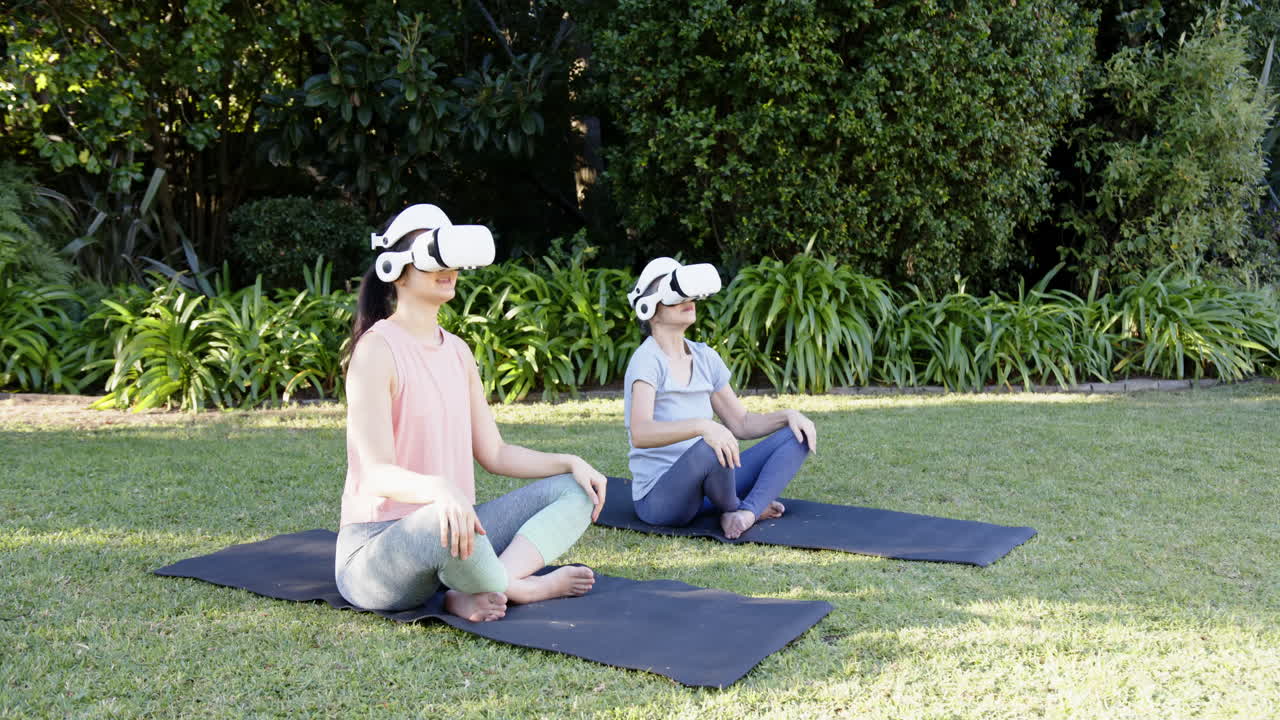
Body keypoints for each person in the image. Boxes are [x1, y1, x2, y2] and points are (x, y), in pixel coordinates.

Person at [336, 204, 607, 622]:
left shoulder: (458, 351)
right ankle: (519, 587)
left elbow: (495, 453)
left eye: (452, 258)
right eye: (434, 257)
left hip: (455, 524)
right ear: (396, 268)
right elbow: (375, 474)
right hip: (376, 552)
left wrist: (570, 462)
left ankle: (471, 588)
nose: (449, 269)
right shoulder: (377, 350)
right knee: (442, 521)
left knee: (574, 490)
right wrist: (440, 490)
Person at [623, 257, 818, 539]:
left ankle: (744, 513)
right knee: (710, 443)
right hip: (661, 500)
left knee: (796, 434)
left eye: (688, 294)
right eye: (675, 296)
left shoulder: (705, 357)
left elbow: (741, 423)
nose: (687, 300)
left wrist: (788, 415)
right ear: (650, 310)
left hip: (710, 486)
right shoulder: (647, 360)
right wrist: (704, 426)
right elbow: (640, 433)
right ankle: (735, 506)